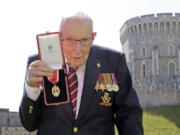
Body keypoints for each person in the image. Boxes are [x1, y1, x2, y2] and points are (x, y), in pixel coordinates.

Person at [19, 12, 143, 135]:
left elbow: (129, 114)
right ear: (59, 37)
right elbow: (29, 125)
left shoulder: (113, 62)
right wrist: (31, 87)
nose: (77, 50)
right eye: (70, 40)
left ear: (93, 36)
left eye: (84, 40)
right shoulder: (40, 64)